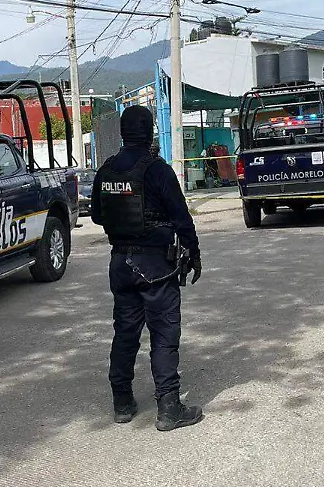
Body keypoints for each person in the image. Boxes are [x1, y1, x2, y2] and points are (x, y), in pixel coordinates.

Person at [90, 105, 203, 432]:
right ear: (150, 131)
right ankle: (169, 408)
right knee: (165, 333)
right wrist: (194, 255)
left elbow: (97, 216)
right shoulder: (157, 171)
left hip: (120, 265)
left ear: (123, 133)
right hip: (156, 266)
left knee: (125, 332)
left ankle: (122, 402)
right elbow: (182, 219)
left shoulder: (106, 171)